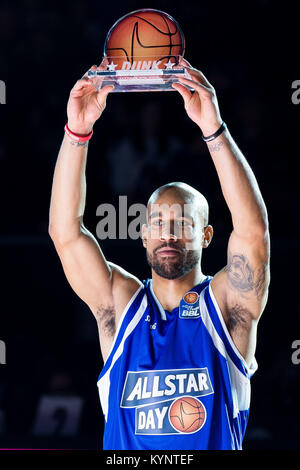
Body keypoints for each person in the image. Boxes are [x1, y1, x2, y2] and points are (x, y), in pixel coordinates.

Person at [49, 58, 270, 450]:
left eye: (181, 222)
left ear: (205, 235)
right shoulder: (121, 304)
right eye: (157, 222)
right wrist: (77, 132)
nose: (167, 232)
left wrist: (213, 130)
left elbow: (252, 232)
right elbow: (65, 234)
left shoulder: (225, 304)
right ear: (143, 234)